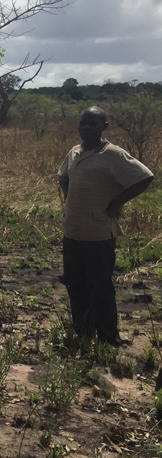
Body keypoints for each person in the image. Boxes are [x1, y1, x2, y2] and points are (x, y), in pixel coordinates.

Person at [58, 106, 153, 346]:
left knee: (100, 288)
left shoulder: (113, 154)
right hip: (72, 232)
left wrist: (117, 202)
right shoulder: (74, 153)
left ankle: (109, 338)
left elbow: (145, 177)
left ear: (104, 127)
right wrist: (70, 198)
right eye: (83, 123)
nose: (87, 127)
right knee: (74, 284)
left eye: (93, 123)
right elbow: (63, 177)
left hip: (99, 234)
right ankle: (83, 331)